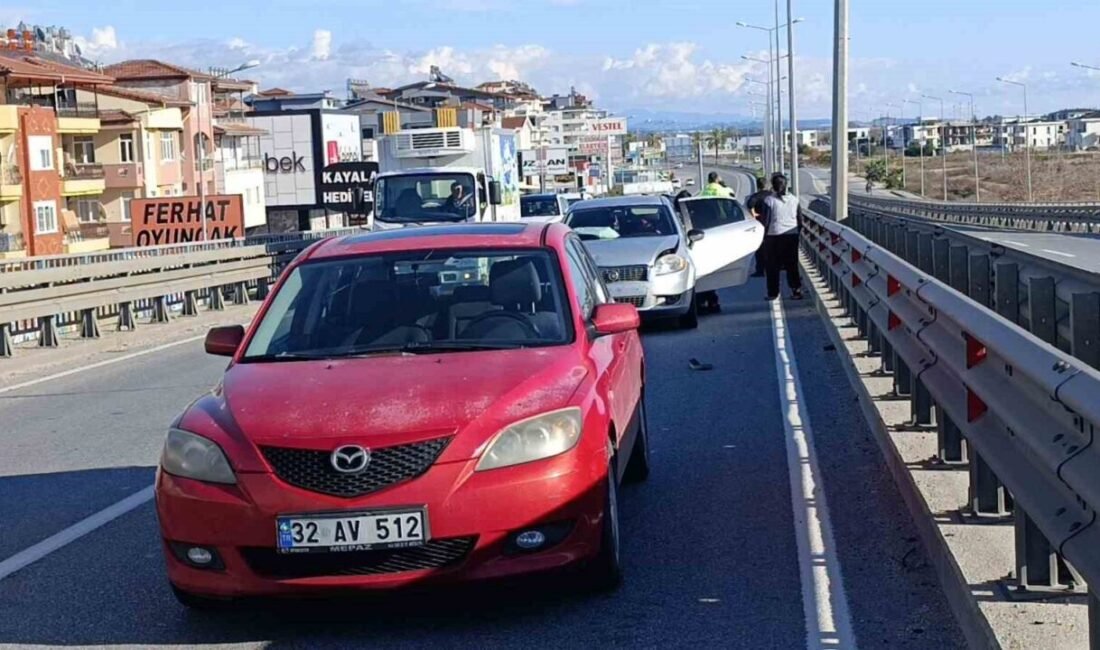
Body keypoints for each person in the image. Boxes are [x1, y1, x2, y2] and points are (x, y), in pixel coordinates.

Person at [760, 173, 804, 301]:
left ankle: (773, 293)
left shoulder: (769, 200)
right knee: (792, 264)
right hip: (791, 236)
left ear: (773, 186)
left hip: (773, 236)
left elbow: (766, 221)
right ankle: (796, 290)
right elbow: (800, 220)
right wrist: (797, 232)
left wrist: (763, 237)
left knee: (772, 266)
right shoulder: (794, 199)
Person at [745, 176, 771, 277]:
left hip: (760, 223)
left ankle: (760, 270)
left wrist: (754, 214)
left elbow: (749, 205)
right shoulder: (772, 195)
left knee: (760, 248)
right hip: (772, 224)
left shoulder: (756, 196)